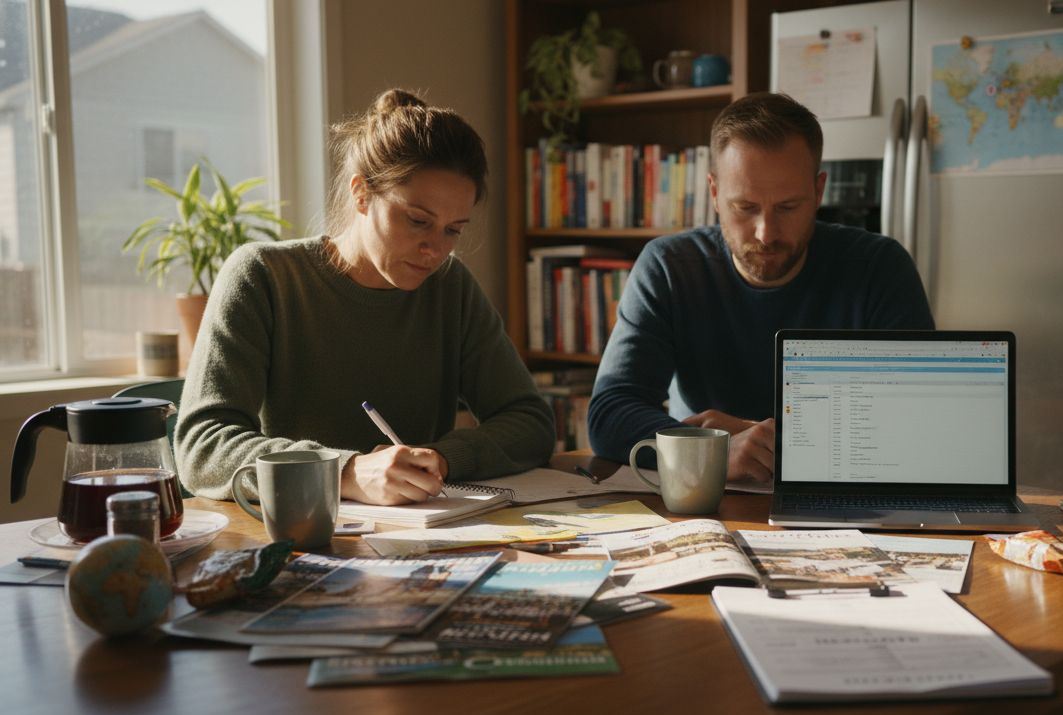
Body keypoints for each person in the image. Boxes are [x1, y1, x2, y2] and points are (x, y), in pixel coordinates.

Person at [178, 88, 554, 505]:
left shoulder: (450, 287)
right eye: (417, 220)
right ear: (361, 194)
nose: (435, 249)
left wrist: (442, 460)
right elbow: (202, 448)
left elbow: (530, 422)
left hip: (420, 537)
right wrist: (345, 472)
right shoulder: (263, 276)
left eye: (453, 230)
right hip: (296, 536)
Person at [587, 92, 933, 483]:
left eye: (787, 207)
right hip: (709, 506)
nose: (766, 233)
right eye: (745, 207)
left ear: (819, 193)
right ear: (715, 193)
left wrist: (767, 441)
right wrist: (713, 449)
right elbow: (609, 413)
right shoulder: (669, 267)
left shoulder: (880, 268)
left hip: (844, 497)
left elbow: (917, 422)